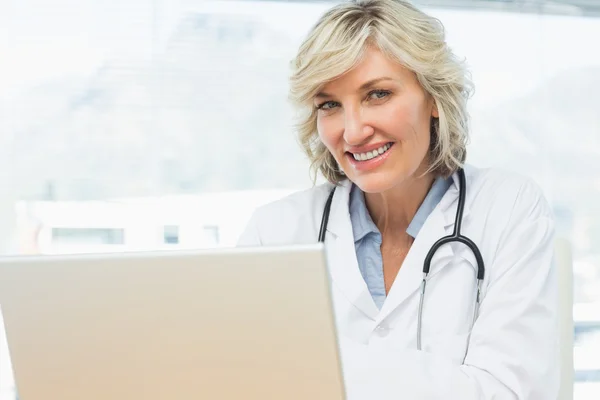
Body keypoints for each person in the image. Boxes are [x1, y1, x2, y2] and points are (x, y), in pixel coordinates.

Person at [238, 0, 559, 398]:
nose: (353, 132)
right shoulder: (276, 232)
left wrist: (313, 360)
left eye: (377, 94)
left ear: (435, 98)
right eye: (329, 104)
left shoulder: (508, 208)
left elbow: (511, 392)